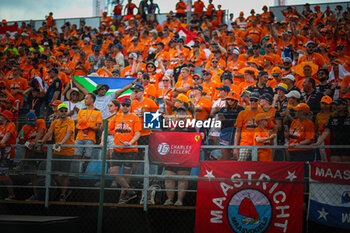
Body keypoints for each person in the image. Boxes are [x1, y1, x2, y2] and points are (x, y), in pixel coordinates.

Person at [108, 98, 141, 204]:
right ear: (120, 106)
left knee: (126, 173)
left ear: (130, 106)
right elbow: (107, 128)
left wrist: (130, 143)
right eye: (123, 105)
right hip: (117, 148)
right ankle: (130, 191)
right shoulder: (116, 116)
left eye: (127, 105)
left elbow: (137, 133)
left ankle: (123, 196)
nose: (125, 107)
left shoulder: (134, 117)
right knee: (113, 172)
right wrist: (103, 139)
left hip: (130, 149)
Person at [41, 103, 75, 201]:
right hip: (57, 150)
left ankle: (63, 194)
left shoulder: (70, 121)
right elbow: (49, 133)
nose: (64, 112)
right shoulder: (54, 122)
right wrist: (41, 142)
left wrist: (61, 143)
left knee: (65, 173)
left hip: (68, 151)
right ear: (58, 112)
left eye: (65, 110)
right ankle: (66, 188)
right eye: (61, 111)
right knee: (53, 172)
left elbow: (69, 133)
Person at [163, 106, 194, 206]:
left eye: (183, 112)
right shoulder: (170, 126)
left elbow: (196, 139)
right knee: (169, 177)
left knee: (182, 178)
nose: (181, 114)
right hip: (171, 156)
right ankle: (169, 199)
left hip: (184, 156)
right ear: (176, 115)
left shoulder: (191, 127)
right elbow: (164, 138)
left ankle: (179, 200)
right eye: (179, 112)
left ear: (186, 115)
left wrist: (200, 135)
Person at [16, 112, 46, 201]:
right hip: (29, 150)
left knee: (41, 175)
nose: (32, 124)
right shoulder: (25, 127)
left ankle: (21, 164)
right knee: (33, 175)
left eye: (33, 121)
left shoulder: (41, 121)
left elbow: (41, 132)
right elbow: (21, 142)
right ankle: (36, 195)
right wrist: (21, 136)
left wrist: (34, 141)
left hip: (40, 148)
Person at [315, 98, 350, 163]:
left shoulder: (349, 117)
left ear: (345, 105)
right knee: (335, 163)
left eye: (339, 105)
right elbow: (326, 131)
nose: (336, 106)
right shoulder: (332, 117)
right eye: (336, 105)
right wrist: (318, 142)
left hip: (347, 145)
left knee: (346, 165)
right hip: (335, 144)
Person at [75, 93, 102, 172]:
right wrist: (82, 126)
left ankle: (84, 170)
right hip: (79, 137)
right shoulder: (81, 111)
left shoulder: (98, 112)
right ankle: (77, 173)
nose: (85, 100)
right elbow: (77, 125)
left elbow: (98, 127)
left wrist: (89, 126)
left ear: (92, 100)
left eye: (86, 98)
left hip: (90, 138)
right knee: (77, 155)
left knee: (88, 156)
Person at [234, 92, 262, 161]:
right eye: (251, 100)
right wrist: (235, 147)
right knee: (241, 164)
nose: (253, 102)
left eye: (255, 100)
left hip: (259, 144)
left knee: (259, 166)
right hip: (245, 143)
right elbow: (238, 131)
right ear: (249, 100)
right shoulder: (242, 113)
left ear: (258, 101)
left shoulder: (262, 113)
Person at [217, 91, 244, 160]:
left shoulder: (241, 109)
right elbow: (219, 119)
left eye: (232, 99)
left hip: (237, 131)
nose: (230, 101)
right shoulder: (223, 109)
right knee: (225, 153)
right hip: (226, 131)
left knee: (236, 154)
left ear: (236, 101)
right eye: (228, 99)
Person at [0, 110, 17, 200]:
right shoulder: (0, 126)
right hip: (1, 153)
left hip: (7, 154)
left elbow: (7, 135)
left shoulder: (11, 125)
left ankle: (12, 194)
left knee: (4, 175)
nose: (0, 116)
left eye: (2, 115)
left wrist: (1, 142)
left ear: (6, 117)